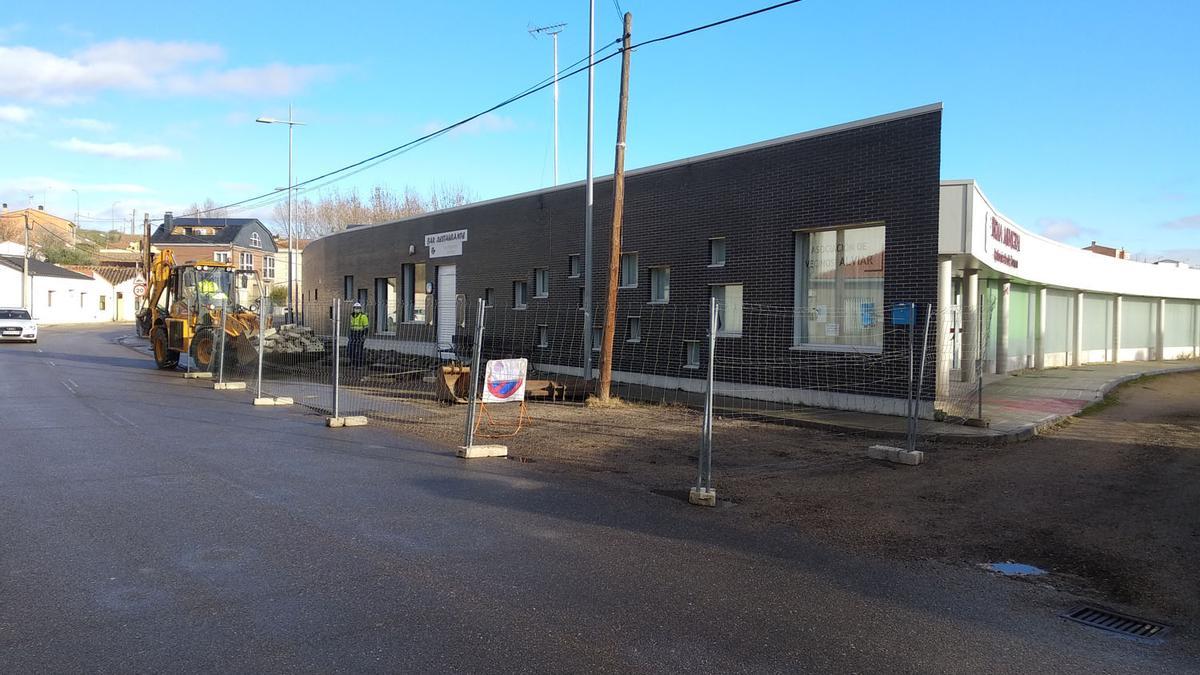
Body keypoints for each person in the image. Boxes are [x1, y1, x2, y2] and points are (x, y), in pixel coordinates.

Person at [348, 302, 369, 367]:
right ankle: (353, 363)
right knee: (351, 350)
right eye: (355, 308)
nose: (356, 309)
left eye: (358, 308)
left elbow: (366, 327)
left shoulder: (363, 316)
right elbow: (351, 326)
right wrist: (349, 335)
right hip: (353, 334)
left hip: (360, 334)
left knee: (359, 350)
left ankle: (359, 365)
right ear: (353, 308)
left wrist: (364, 335)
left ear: (360, 309)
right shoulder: (352, 316)